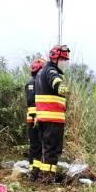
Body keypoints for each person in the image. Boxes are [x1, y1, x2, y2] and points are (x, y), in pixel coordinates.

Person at [34, 44, 71, 182]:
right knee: (52, 149)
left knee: (47, 148)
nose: (65, 62)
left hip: (45, 117)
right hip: (52, 118)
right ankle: (48, 178)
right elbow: (55, 81)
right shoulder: (50, 71)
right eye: (63, 59)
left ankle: (46, 176)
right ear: (55, 59)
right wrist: (62, 87)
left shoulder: (41, 72)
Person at [26, 58, 46, 182]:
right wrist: (36, 118)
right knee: (37, 146)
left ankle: (34, 171)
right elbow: (31, 102)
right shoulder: (34, 83)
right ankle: (34, 173)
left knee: (35, 146)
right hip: (35, 120)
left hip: (33, 119)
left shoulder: (32, 82)